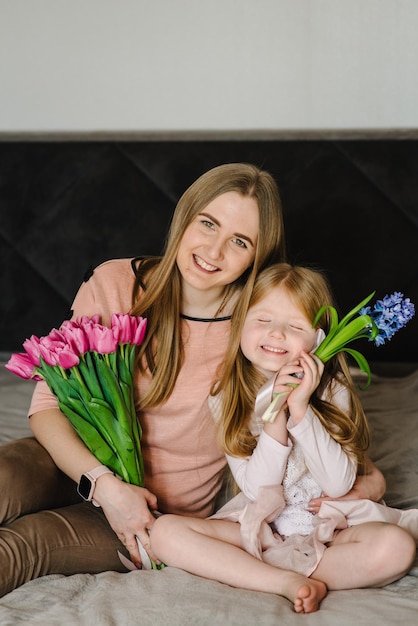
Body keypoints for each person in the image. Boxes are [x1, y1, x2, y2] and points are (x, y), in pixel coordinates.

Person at [0, 164, 384, 602]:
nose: (214, 251)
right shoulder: (118, 282)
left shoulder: (260, 327)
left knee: (22, 545)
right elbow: (48, 404)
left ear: (258, 257)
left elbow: (327, 426)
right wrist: (103, 484)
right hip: (71, 461)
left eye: (239, 242)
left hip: (155, 509)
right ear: (185, 217)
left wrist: (372, 483)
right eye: (208, 223)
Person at [149, 263, 416, 614]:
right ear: (240, 324)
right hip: (261, 528)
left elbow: (338, 485)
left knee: (396, 547)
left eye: (294, 326)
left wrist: (301, 410)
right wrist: (275, 417)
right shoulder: (226, 394)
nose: (276, 334)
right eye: (262, 320)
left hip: (331, 527)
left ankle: (257, 572)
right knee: (165, 534)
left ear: (319, 339)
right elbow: (257, 490)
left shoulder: (333, 391)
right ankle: (285, 581)